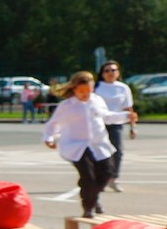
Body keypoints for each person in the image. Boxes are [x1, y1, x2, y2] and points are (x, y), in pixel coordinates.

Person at [45, 70, 117, 218]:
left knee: (107, 173)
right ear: (74, 89)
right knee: (88, 177)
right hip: (76, 146)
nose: (85, 94)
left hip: (98, 144)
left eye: (89, 90)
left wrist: (126, 116)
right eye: (81, 91)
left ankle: (94, 197)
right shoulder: (67, 105)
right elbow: (53, 123)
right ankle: (88, 207)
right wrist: (49, 137)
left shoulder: (97, 101)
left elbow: (108, 117)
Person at [95, 60, 136, 189]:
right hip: (98, 123)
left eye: (113, 70)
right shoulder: (97, 87)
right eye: (107, 70)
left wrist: (133, 127)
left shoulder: (123, 88)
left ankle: (113, 178)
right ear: (102, 73)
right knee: (99, 151)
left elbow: (128, 109)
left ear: (118, 72)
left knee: (117, 151)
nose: (110, 73)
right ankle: (99, 178)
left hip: (117, 123)